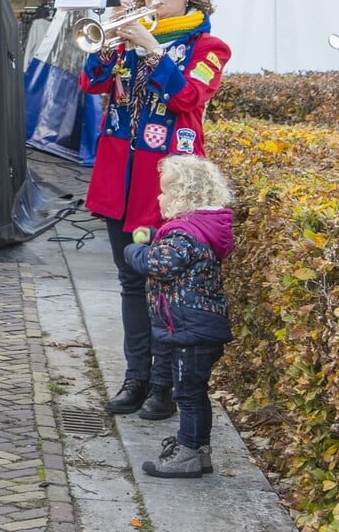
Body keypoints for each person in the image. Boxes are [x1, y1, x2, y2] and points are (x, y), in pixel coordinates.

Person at [80, 0, 230, 421]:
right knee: (129, 282)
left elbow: (187, 96)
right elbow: (92, 83)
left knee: (163, 285)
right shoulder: (127, 41)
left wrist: (152, 47)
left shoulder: (209, 48)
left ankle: (164, 388)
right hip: (119, 182)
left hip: (168, 188)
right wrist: (108, 40)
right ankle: (135, 378)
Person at [125, 155, 236, 480]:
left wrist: (134, 249)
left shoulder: (183, 233)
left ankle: (187, 452)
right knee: (194, 392)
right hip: (199, 327)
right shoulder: (196, 230)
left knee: (187, 394)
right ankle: (198, 450)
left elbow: (157, 265)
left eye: (164, 192)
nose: (159, 198)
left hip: (191, 330)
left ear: (183, 197)